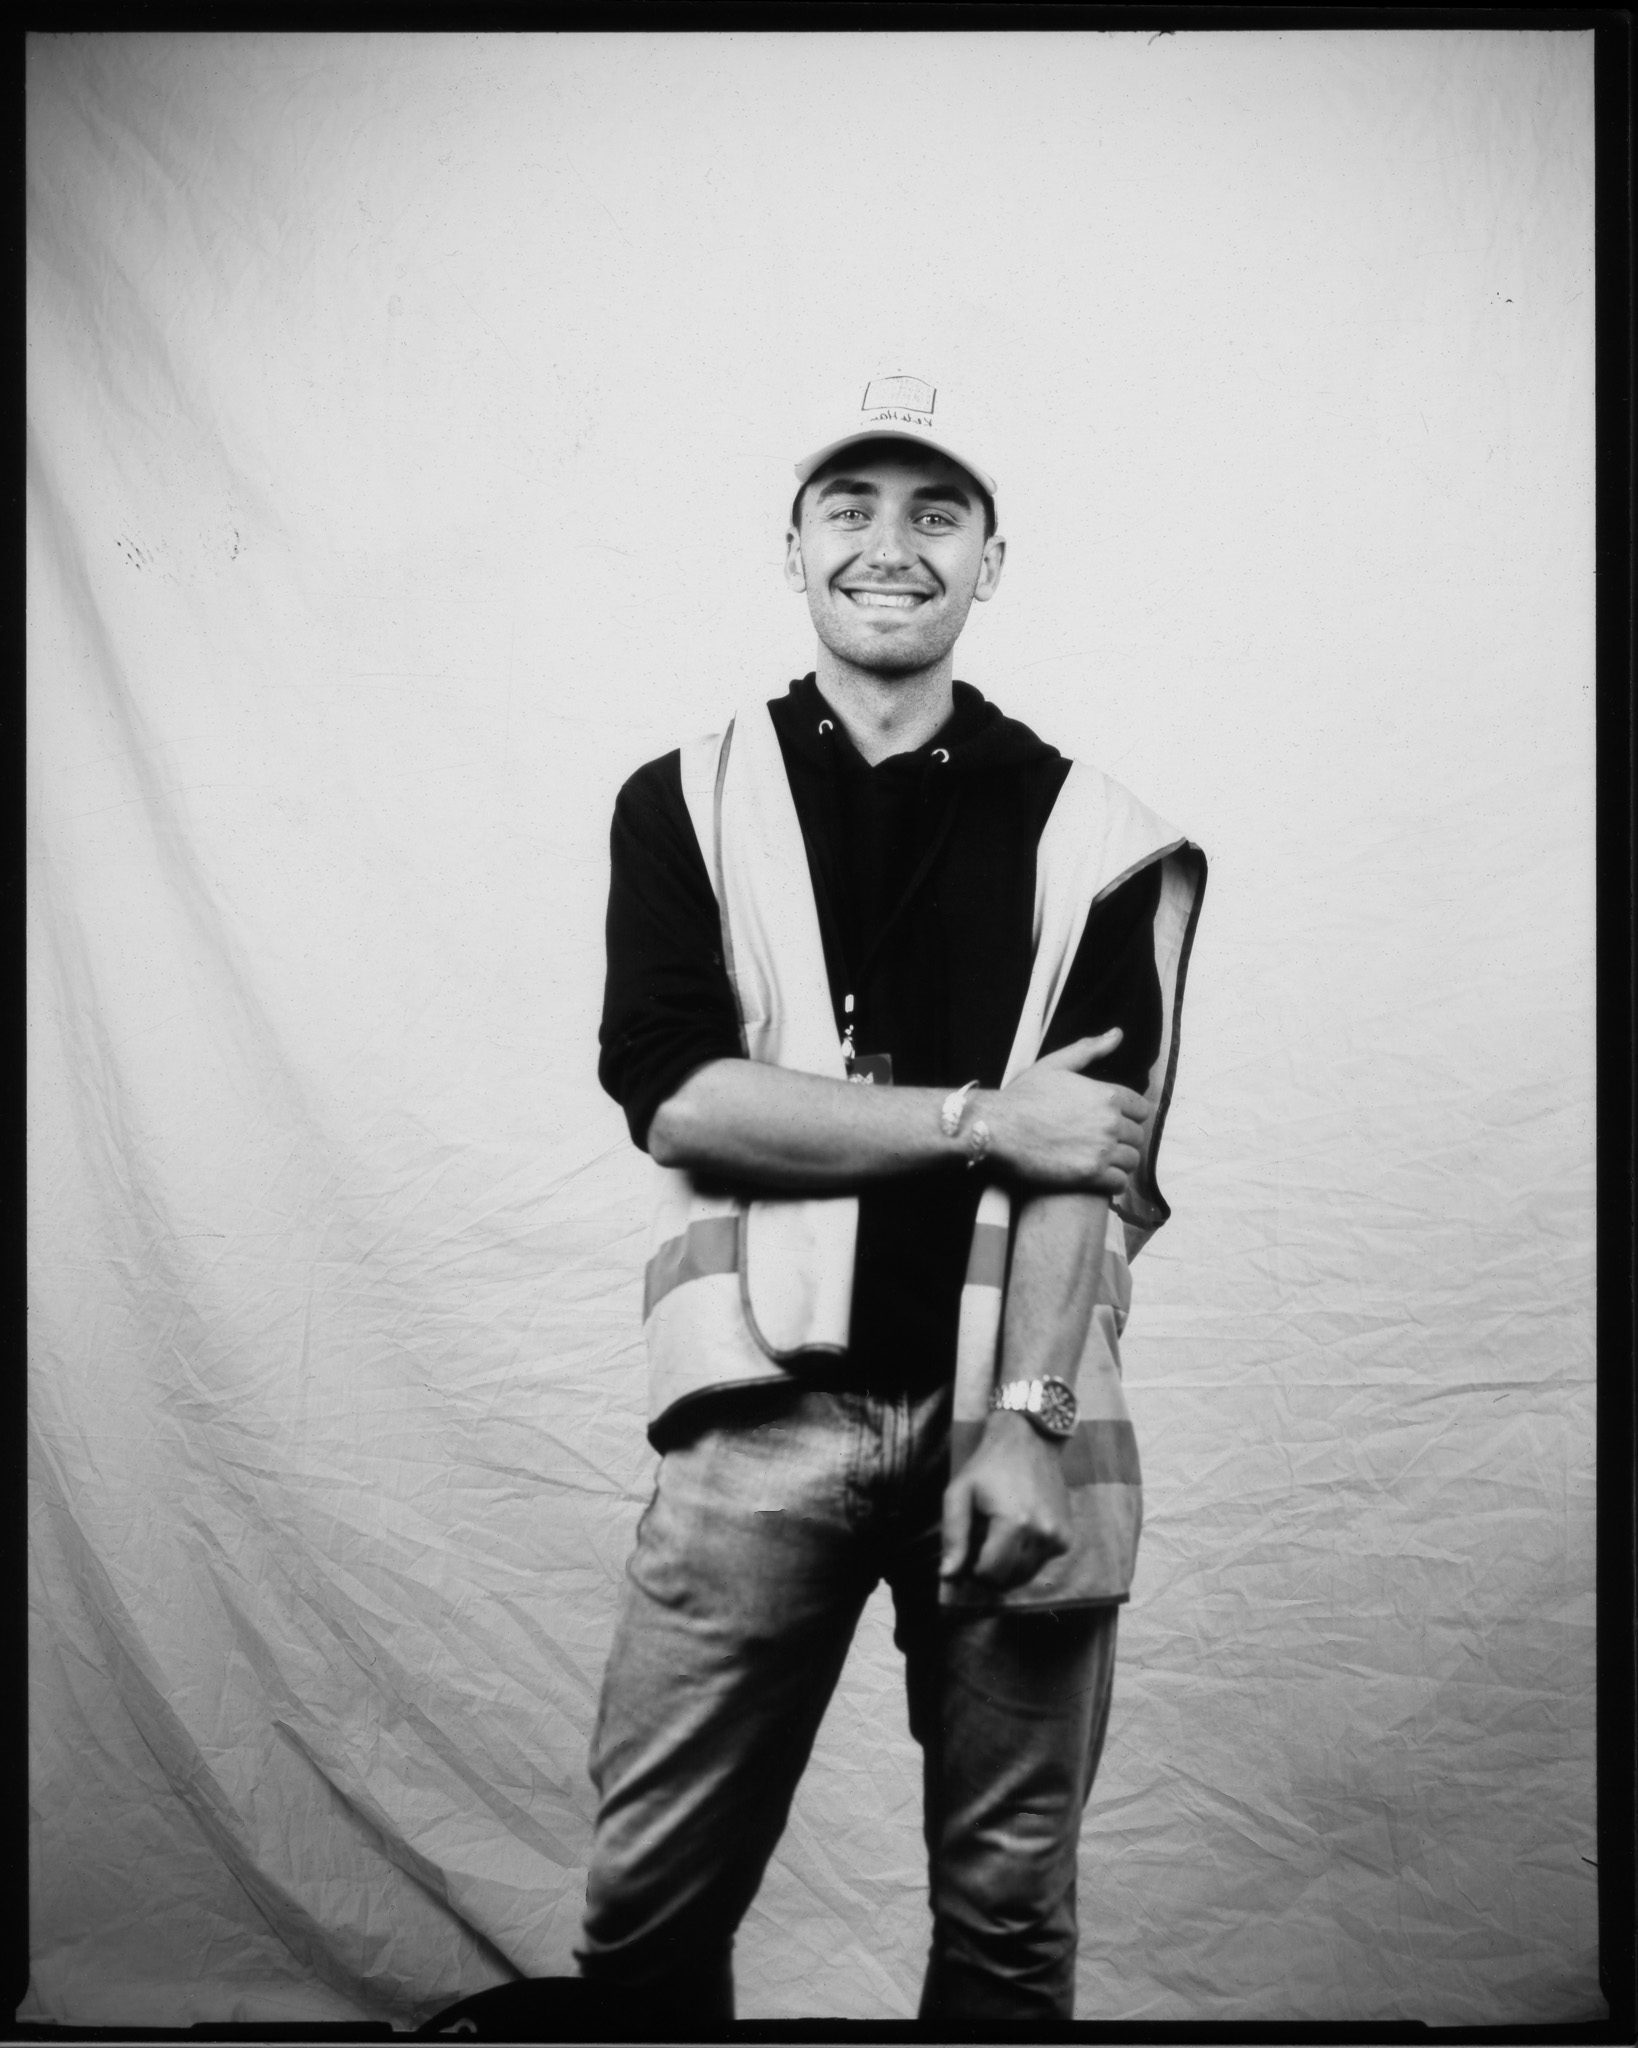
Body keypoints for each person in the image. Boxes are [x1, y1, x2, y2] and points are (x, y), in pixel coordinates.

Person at [577, 374, 1206, 2028]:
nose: (890, 544)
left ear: (991, 560)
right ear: (790, 544)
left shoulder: (1100, 832)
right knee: (645, 1912)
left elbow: (1098, 1155)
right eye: (850, 506)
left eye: (936, 513)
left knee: (1006, 1926)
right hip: (755, 1417)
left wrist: (1031, 1417)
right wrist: (977, 1115)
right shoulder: (688, 794)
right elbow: (684, 1097)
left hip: (1018, 1416)